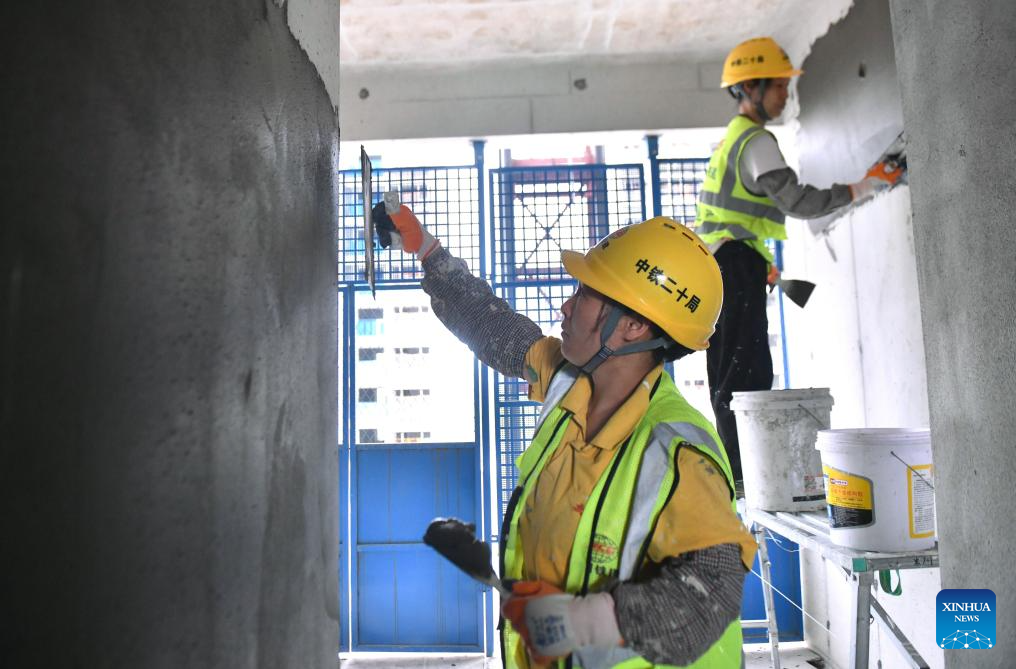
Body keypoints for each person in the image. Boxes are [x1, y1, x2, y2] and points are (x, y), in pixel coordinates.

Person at [372, 202, 758, 668]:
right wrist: (425, 249)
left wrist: (579, 623)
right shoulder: (570, 381)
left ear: (633, 326)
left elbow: (713, 591)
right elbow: (493, 327)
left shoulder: (677, 449)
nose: (566, 306)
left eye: (585, 294)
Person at [694, 36, 905, 483]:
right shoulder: (755, 141)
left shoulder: (730, 141)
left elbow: (731, 218)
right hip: (733, 264)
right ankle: (746, 475)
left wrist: (754, 262)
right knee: (747, 371)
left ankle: (739, 472)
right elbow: (798, 201)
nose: (786, 95)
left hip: (722, 264)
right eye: (779, 86)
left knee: (730, 370)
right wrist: (865, 185)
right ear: (750, 87)